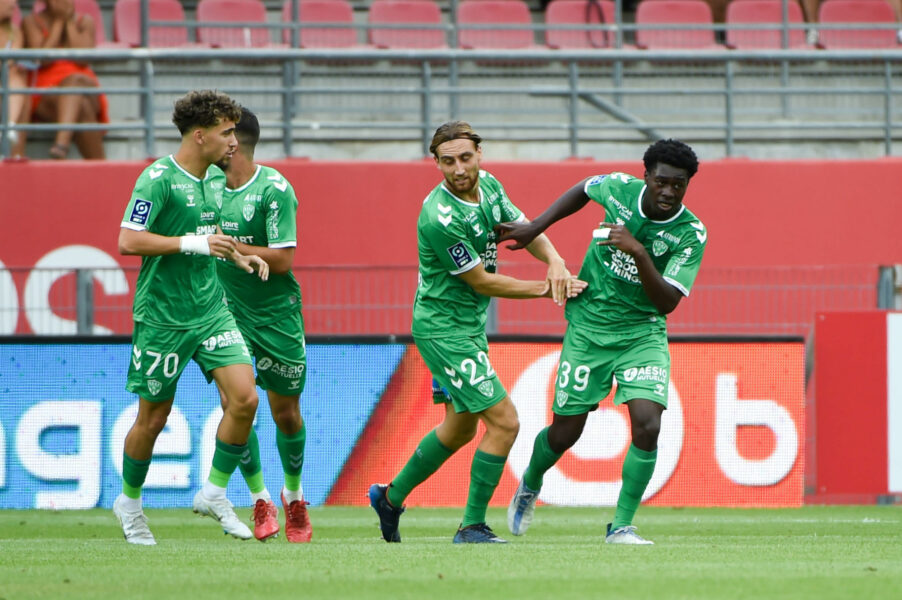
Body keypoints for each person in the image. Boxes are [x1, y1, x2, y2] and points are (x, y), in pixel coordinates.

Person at [368, 120, 587, 544]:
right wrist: (548, 288)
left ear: (479, 154)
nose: (459, 169)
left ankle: (389, 498)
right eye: (448, 161)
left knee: (460, 428)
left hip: (467, 327)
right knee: (505, 422)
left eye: (465, 158)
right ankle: (471, 526)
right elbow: (481, 281)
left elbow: (524, 229)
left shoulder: (490, 186)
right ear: (436, 163)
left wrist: (556, 261)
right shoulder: (440, 217)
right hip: (443, 331)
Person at [502, 139, 707, 545]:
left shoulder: (690, 233)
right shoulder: (618, 188)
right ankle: (531, 482)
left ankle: (621, 526)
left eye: (678, 184)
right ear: (645, 176)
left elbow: (667, 302)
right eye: (662, 181)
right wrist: (536, 227)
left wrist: (639, 252)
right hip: (589, 326)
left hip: (642, 332)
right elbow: (583, 188)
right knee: (565, 434)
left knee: (648, 424)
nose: (669, 191)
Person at [113, 90, 270, 546]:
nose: (234, 142)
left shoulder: (216, 179)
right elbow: (128, 240)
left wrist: (236, 254)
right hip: (163, 317)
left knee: (245, 399)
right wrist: (192, 244)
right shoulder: (157, 179)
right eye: (226, 133)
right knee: (153, 419)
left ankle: (215, 493)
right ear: (199, 135)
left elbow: (208, 229)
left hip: (211, 310)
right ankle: (130, 504)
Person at [213, 107, 313, 543]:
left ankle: (294, 495)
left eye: (219, 133)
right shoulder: (206, 187)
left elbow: (284, 259)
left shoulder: (274, 189)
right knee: (236, 404)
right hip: (224, 312)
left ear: (234, 140)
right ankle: (260, 499)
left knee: (285, 413)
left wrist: (229, 246)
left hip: (276, 314)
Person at [21, 0, 107, 159]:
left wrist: (68, 22)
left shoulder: (85, 21)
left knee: (75, 82)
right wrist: (59, 22)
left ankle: (61, 143)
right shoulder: (31, 22)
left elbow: (83, 59)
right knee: (83, 109)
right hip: (47, 90)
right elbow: (42, 59)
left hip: (84, 83)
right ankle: (102, 169)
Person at [0, 0, 30, 157]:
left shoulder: (14, 31)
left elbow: (12, 60)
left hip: (6, 79)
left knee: (19, 81)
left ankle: (10, 128)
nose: (13, 4)